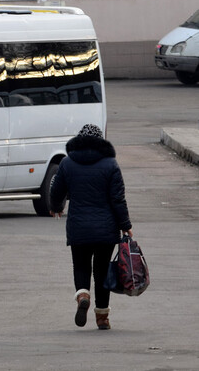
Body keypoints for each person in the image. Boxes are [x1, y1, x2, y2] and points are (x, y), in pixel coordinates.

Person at [49, 123, 133, 331]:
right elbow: (118, 199)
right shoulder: (110, 164)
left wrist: (56, 207)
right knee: (102, 271)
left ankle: (83, 295)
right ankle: (102, 317)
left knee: (81, 265)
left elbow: (56, 189)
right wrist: (125, 225)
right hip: (106, 229)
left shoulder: (68, 163)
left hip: (78, 227)